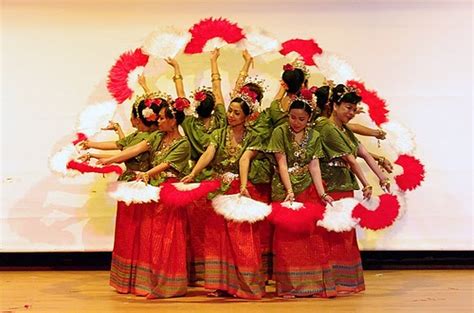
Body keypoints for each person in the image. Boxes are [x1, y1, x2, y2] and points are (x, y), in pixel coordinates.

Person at [181, 84, 269, 300]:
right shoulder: (219, 133)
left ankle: (246, 284)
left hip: (240, 190)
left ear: (247, 116)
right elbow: (208, 154)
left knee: (242, 238)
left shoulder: (254, 136)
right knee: (217, 237)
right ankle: (221, 283)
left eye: (236, 112)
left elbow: (245, 160)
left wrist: (242, 185)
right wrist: (193, 173)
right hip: (220, 189)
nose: (230, 115)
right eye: (230, 111)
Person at [98, 97, 192, 299]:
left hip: (169, 193)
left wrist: (149, 173)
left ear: (173, 120)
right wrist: (108, 160)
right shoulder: (158, 136)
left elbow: (166, 165)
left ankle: (166, 286)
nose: (157, 121)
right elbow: (134, 149)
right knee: (150, 236)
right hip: (154, 191)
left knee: (166, 237)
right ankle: (147, 283)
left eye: (161, 118)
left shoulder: (183, 144)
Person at [315, 83, 391, 295]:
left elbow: (364, 153)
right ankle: (330, 283)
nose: (351, 112)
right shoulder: (326, 127)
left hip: (343, 184)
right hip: (331, 185)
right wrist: (367, 183)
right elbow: (351, 159)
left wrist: (382, 178)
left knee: (344, 235)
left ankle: (341, 282)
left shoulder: (344, 129)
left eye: (353, 108)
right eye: (347, 107)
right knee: (333, 235)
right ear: (334, 105)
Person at [267, 90, 337, 298]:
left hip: (308, 189)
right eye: (292, 117)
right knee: (287, 240)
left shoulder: (314, 136)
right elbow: (281, 162)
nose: (296, 122)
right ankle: (288, 287)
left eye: (302, 119)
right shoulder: (280, 131)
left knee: (311, 237)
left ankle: (313, 286)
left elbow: (314, 165)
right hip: (285, 188)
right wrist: (289, 191)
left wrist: (322, 193)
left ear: (310, 119)